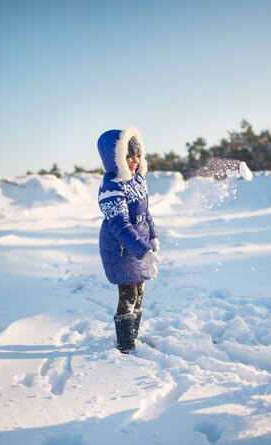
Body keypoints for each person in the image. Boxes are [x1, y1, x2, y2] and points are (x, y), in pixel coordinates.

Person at [97, 127, 162, 354]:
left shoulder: (137, 181)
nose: (133, 161)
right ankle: (125, 346)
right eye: (127, 156)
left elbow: (146, 213)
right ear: (114, 159)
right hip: (120, 250)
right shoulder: (111, 188)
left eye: (137, 155)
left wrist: (152, 237)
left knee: (140, 291)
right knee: (129, 293)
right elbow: (120, 226)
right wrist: (143, 250)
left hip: (138, 246)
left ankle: (132, 338)